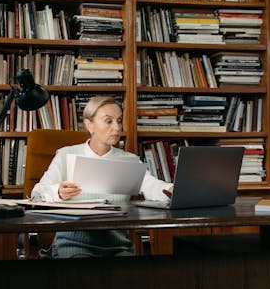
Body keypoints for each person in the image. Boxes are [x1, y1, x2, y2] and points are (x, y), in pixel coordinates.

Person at [31, 95, 173, 258]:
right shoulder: (66, 155)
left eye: (119, 121)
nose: (117, 128)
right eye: (108, 121)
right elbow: (37, 193)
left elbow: (151, 185)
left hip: (116, 245)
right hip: (73, 243)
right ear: (89, 124)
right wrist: (58, 192)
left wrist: (171, 188)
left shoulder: (128, 160)